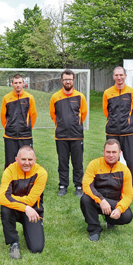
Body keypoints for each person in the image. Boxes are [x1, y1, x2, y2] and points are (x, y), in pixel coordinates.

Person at [0, 146, 47, 259]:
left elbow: (31, 200)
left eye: (30, 160)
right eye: (23, 159)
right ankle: (14, 243)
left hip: (33, 211)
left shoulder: (41, 173)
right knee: (5, 208)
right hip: (20, 210)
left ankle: (28, 229)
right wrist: (25, 208)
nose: (27, 163)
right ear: (17, 159)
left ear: (35, 160)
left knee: (37, 248)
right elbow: (4, 199)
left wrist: (7, 197)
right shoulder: (9, 171)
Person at [80, 139, 133, 241]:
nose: (111, 155)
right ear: (104, 152)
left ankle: (110, 220)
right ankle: (94, 229)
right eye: (108, 152)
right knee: (85, 198)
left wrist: (119, 209)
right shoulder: (94, 164)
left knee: (127, 216)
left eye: (114, 152)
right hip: (97, 201)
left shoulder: (125, 170)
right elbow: (86, 185)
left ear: (119, 153)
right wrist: (101, 200)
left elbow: (128, 195)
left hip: (113, 202)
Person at [103, 66, 133, 201]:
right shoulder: (107, 92)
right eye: (116, 75)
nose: (119, 78)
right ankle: (113, 190)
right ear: (113, 77)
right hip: (112, 132)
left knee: (132, 162)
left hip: (128, 133)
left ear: (125, 76)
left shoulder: (132, 92)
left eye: (121, 75)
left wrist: (127, 122)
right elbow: (106, 111)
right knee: (112, 162)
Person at [49, 69, 88, 197]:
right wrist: (61, 124)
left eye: (70, 79)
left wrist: (75, 124)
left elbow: (83, 114)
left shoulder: (80, 96)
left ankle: (78, 186)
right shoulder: (55, 96)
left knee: (78, 162)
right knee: (62, 162)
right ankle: (63, 186)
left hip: (77, 135)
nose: (68, 81)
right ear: (62, 80)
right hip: (61, 135)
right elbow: (53, 114)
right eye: (65, 79)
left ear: (73, 80)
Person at [1, 74, 37, 169]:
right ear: (12, 84)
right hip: (10, 135)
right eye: (16, 83)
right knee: (10, 161)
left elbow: (33, 115)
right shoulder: (6, 98)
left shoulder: (29, 97)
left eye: (20, 82)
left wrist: (27, 127)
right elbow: (3, 116)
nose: (18, 85)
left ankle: (26, 181)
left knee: (26, 160)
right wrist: (9, 127)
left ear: (23, 84)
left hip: (25, 135)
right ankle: (9, 182)